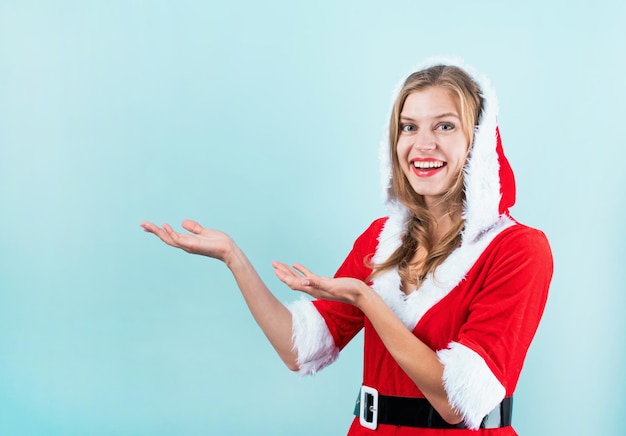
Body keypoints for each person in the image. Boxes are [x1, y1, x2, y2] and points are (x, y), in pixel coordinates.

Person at [140, 58, 553, 435]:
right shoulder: (380, 240)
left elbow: (456, 400)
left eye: (444, 126)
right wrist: (234, 258)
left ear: (478, 143)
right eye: (409, 127)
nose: (423, 144)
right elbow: (299, 349)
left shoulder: (518, 250)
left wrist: (367, 299)